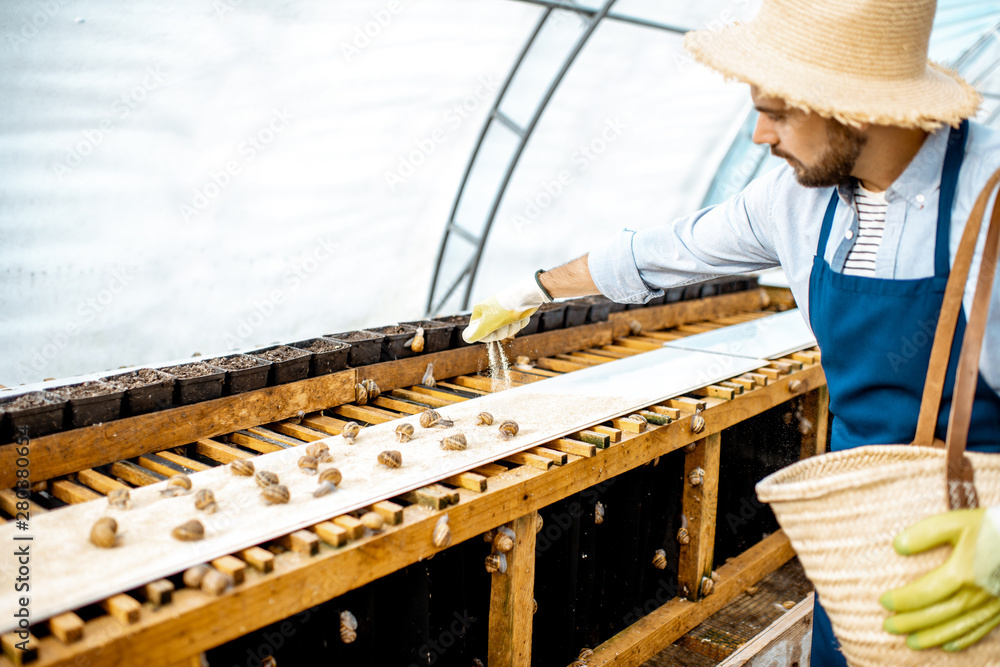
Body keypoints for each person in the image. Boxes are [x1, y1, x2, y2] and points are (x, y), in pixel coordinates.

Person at [461, 0, 1000, 663]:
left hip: (976, 556)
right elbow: (664, 251)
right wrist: (538, 287)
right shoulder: (798, 201)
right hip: (857, 554)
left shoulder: (989, 200)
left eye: (776, 110)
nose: (758, 135)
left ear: (854, 106)